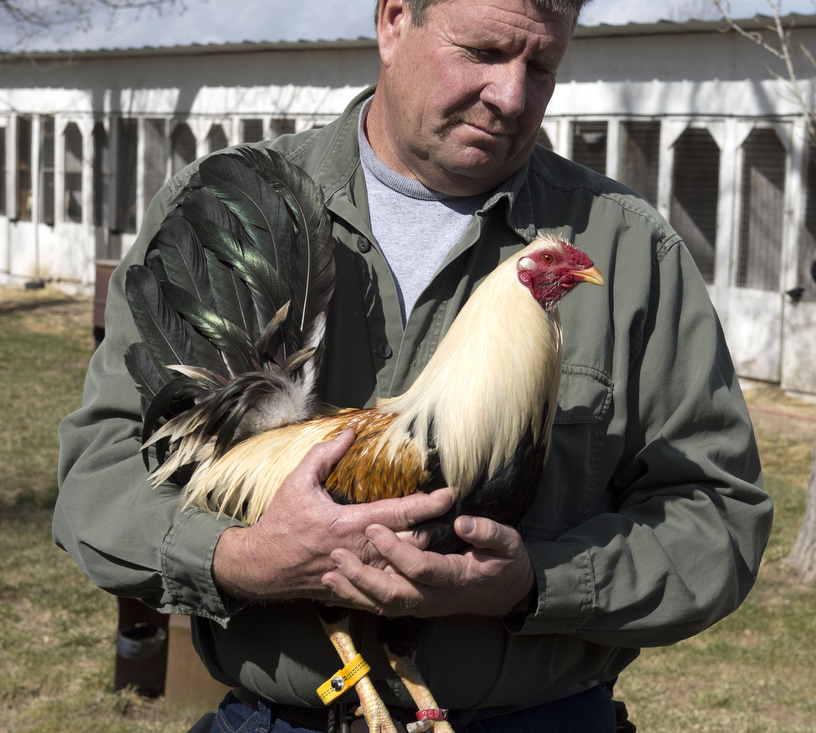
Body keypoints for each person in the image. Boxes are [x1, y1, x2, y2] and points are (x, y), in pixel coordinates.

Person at [53, 0, 773, 730]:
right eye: (484, 52)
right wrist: (242, 555)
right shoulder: (224, 202)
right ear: (394, 20)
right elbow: (95, 484)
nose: (512, 96)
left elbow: (718, 521)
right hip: (282, 718)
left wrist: (535, 580)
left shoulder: (630, 249)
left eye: (543, 66)